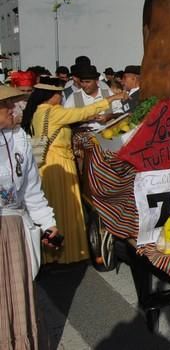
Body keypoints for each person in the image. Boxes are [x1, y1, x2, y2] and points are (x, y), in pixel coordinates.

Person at [21, 78, 126, 264]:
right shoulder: (54, 112)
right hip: (59, 163)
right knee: (65, 207)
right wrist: (111, 99)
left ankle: (50, 253)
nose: (61, 97)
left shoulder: (39, 111)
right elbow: (83, 111)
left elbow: (76, 116)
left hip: (47, 163)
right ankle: (66, 254)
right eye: (59, 94)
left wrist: (87, 117)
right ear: (51, 96)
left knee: (53, 207)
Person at [0, 84, 60, 350]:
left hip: (13, 229)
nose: (15, 108)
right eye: (7, 104)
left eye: (14, 102)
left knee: (19, 297)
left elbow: (31, 190)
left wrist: (48, 223)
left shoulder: (19, 138)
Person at [63, 65, 123, 129]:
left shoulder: (108, 93)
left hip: (108, 135)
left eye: (88, 82)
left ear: (97, 81)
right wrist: (85, 119)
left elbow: (121, 114)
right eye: (82, 82)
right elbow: (66, 119)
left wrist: (110, 116)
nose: (84, 85)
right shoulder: (74, 97)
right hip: (84, 137)